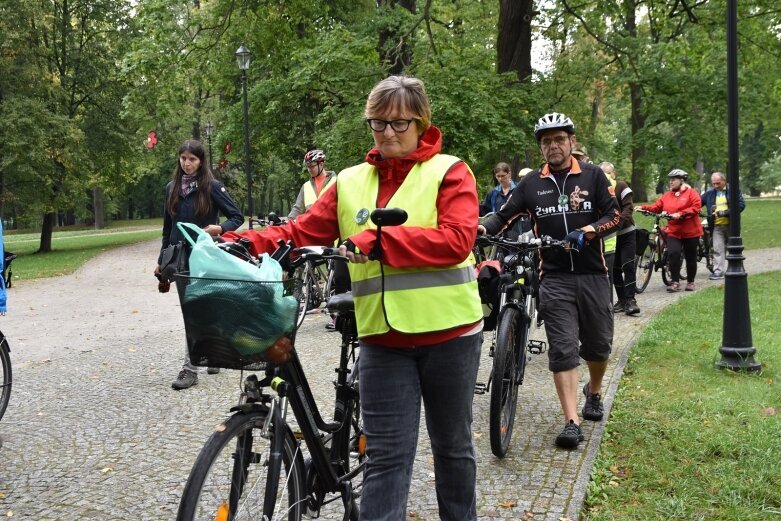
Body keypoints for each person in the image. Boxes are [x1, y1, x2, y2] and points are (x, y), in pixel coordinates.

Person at [223, 75, 484, 520]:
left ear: (421, 122)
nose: (386, 133)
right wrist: (244, 242)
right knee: (386, 457)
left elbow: (457, 240)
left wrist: (381, 243)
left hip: (450, 335)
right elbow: (301, 230)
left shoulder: (449, 171)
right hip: (383, 339)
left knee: (452, 449)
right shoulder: (348, 181)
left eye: (398, 124)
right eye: (377, 124)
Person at [478, 112, 621, 450]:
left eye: (559, 140)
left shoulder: (593, 176)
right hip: (554, 276)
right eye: (546, 142)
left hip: (593, 273)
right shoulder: (531, 185)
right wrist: (483, 227)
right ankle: (571, 421)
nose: (553, 146)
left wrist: (589, 231)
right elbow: (504, 215)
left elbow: (614, 215)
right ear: (541, 148)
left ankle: (594, 390)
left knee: (598, 346)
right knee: (562, 347)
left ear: (571, 142)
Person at [155, 139, 244, 390]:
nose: (187, 163)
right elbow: (167, 228)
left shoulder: (212, 187)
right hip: (180, 259)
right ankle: (204, 357)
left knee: (202, 307)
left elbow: (237, 216)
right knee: (192, 310)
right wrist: (161, 262)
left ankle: (191, 367)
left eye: (192, 159)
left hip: (204, 257)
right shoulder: (171, 188)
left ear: (201, 161)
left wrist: (220, 228)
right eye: (183, 158)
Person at [639, 169, 703, 292]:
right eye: (670, 179)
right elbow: (657, 207)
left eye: (674, 179)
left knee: (690, 257)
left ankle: (690, 281)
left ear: (682, 180)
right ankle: (675, 282)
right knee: (673, 254)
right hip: (674, 231)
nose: (671, 181)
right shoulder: (667, 195)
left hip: (691, 231)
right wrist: (643, 208)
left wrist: (681, 214)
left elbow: (696, 207)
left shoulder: (691, 193)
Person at [600, 162, 640, 315]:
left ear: (614, 174)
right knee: (614, 269)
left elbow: (628, 207)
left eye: (608, 172)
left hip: (626, 233)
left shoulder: (622, 186)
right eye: (602, 173)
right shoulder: (600, 189)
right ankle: (622, 300)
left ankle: (631, 300)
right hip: (610, 237)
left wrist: (616, 223)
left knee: (627, 265)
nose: (606, 176)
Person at [700, 171, 745, 280]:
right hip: (716, 226)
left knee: (733, 249)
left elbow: (741, 205)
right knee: (717, 249)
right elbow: (697, 203)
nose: (715, 186)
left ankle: (737, 268)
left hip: (731, 225)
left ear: (724, 181)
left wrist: (726, 212)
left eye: (718, 183)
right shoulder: (709, 194)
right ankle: (718, 272)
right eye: (713, 183)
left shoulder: (733, 191)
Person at [288, 149, 336, 220]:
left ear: (321, 164)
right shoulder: (306, 186)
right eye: (308, 167)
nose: (309, 169)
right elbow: (298, 209)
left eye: (312, 166)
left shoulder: (335, 181)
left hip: (331, 227)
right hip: (311, 229)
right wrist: (289, 221)